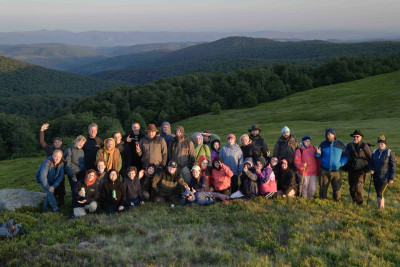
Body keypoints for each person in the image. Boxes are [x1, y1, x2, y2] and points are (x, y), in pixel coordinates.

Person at [315, 128, 347, 201]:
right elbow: (317, 155)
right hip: (324, 170)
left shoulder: (340, 144)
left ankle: (337, 201)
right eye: (328, 134)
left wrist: (341, 163)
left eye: (331, 134)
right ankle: (322, 200)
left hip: (336, 170)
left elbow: (345, 156)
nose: (329, 135)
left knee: (337, 187)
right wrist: (318, 153)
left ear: (334, 135)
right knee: (323, 187)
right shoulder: (323, 144)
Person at [39, 123, 65, 206]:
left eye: (58, 142)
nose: (57, 143)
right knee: (51, 190)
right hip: (50, 174)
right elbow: (42, 142)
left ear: (61, 143)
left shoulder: (64, 151)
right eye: (55, 142)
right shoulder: (49, 149)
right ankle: (51, 205)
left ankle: (61, 204)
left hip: (60, 172)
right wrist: (41, 131)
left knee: (61, 190)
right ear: (53, 143)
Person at [369, 135, 396, 209]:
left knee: (380, 192)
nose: (380, 145)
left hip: (385, 177)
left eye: (382, 144)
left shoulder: (389, 153)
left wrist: (391, 178)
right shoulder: (374, 152)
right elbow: (371, 162)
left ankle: (380, 209)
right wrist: (371, 169)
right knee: (379, 193)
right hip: (375, 176)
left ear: (385, 144)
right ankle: (381, 207)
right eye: (379, 144)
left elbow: (393, 166)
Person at [345, 130, 371, 205]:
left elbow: (370, 157)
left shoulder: (364, 146)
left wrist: (369, 168)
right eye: (354, 136)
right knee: (352, 188)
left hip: (361, 171)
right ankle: (355, 201)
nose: (355, 138)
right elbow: (345, 156)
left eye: (357, 137)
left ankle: (360, 202)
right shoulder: (349, 145)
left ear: (361, 137)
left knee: (358, 188)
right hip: (351, 170)